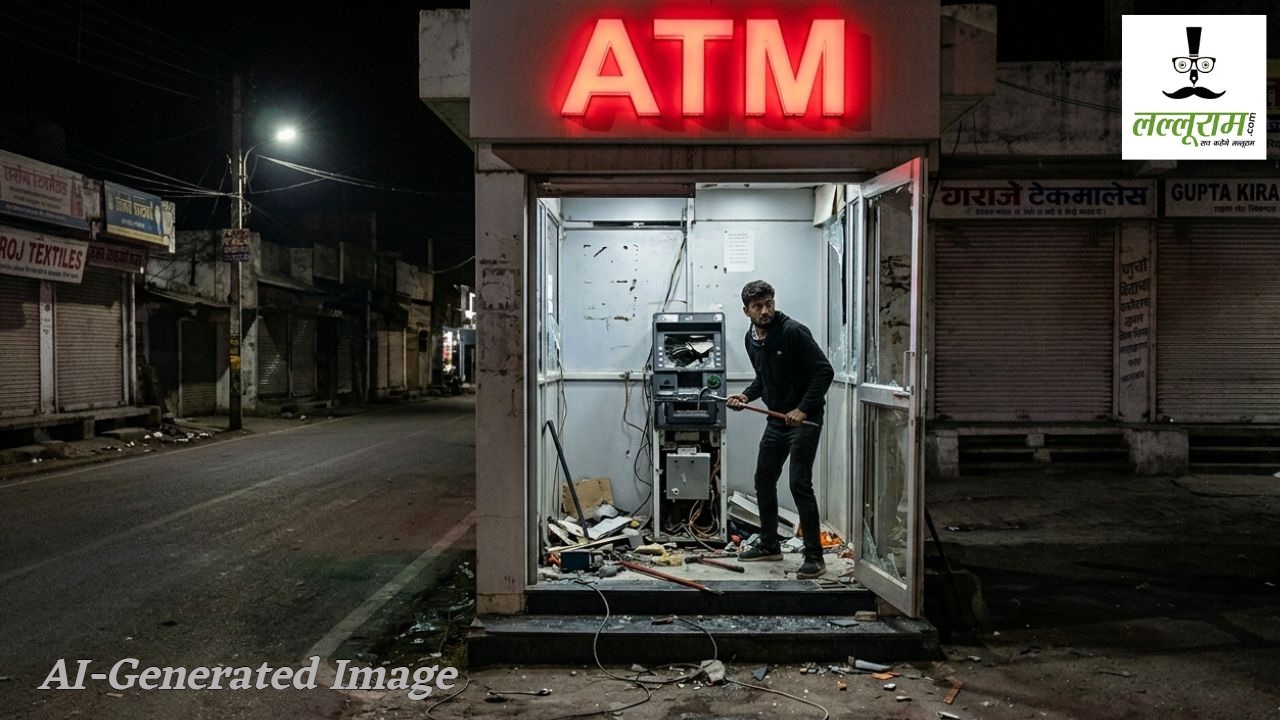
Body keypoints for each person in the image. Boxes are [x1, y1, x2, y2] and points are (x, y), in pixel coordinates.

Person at [726, 280, 834, 579]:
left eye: (769, 303)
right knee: (763, 479)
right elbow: (764, 379)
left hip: (804, 420)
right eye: (758, 306)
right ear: (746, 310)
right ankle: (770, 543)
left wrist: (803, 408)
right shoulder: (752, 339)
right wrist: (745, 396)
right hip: (776, 419)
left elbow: (824, 371)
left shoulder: (793, 332)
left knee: (800, 484)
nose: (765, 310)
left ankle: (814, 556)